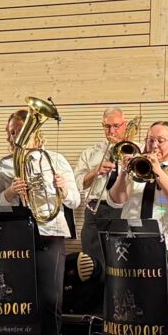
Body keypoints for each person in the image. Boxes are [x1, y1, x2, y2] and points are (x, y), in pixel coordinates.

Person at [0, 109, 80, 335]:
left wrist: (63, 189)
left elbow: (75, 201)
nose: (15, 136)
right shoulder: (5, 165)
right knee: (20, 301)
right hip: (18, 235)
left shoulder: (56, 160)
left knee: (51, 301)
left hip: (51, 233)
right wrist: (10, 193)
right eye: (12, 132)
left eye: (19, 131)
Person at [107, 121, 168, 320]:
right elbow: (115, 201)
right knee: (134, 305)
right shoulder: (136, 169)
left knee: (163, 306)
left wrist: (158, 171)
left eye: (161, 140)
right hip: (134, 244)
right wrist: (123, 173)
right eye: (150, 140)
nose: (154, 145)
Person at [74, 108, 130, 273]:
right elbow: (77, 183)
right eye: (107, 126)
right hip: (96, 210)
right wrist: (95, 172)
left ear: (125, 125)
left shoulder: (136, 150)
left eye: (116, 126)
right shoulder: (90, 152)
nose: (111, 131)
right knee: (94, 266)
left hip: (125, 210)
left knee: (123, 265)